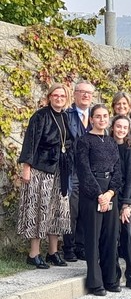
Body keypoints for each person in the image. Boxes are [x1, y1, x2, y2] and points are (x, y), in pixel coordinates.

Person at [18, 83, 73, 269]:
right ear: (49, 97)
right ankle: (33, 254)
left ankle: (53, 252)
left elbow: (68, 143)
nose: (59, 99)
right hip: (40, 170)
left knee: (57, 211)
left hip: (59, 171)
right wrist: (26, 167)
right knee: (39, 210)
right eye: (55, 95)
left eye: (62, 96)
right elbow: (30, 142)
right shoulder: (40, 116)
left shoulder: (64, 117)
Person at [75, 104, 122, 296]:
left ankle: (110, 278)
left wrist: (110, 192)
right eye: (98, 116)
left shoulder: (111, 142)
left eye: (105, 116)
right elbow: (83, 170)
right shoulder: (84, 141)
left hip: (110, 191)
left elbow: (118, 170)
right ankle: (95, 282)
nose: (102, 119)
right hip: (91, 192)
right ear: (91, 119)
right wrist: (99, 194)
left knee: (111, 237)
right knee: (93, 238)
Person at [63, 80, 95, 262]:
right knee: (72, 211)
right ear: (74, 94)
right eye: (82, 92)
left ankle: (81, 246)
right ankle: (68, 247)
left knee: (86, 210)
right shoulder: (67, 115)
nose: (85, 95)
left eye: (89, 93)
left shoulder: (95, 116)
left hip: (90, 171)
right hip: (73, 170)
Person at [110, 115, 131, 290]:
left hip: (126, 198)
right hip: (110, 197)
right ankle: (114, 275)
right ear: (113, 127)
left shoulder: (130, 149)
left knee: (129, 235)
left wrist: (127, 205)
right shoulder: (107, 145)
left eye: (125, 127)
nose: (121, 130)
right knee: (111, 236)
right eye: (119, 126)